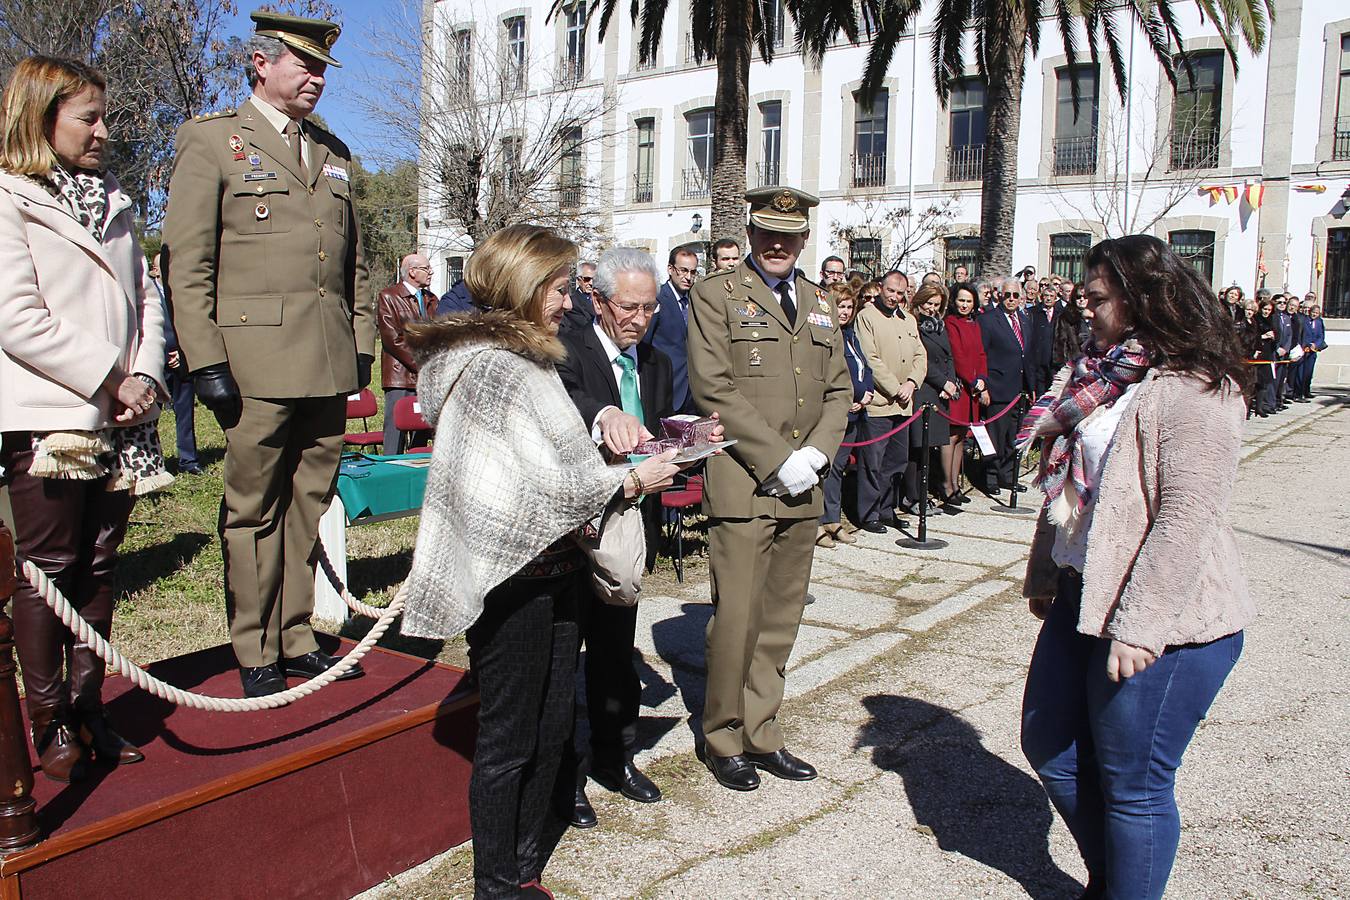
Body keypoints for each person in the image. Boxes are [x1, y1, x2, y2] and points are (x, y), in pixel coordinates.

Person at [397, 225, 683, 899]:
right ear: (527, 286)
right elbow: (550, 485)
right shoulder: (498, 368)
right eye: (561, 289)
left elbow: (555, 464)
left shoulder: (523, 358)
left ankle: (523, 866)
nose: (570, 303)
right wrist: (635, 480)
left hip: (554, 570)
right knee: (510, 739)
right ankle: (498, 883)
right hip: (512, 580)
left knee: (551, 725)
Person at [1019, 234, 1253, 900]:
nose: (1082, 308)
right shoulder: (1095, 373)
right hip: (1080, 591)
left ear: (1141, 297)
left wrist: (1142, 626)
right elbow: (1065, 482)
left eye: (1096, 298)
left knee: (1134, 785)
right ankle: (1119, 879)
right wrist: (1046, 568)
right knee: (1051, 749)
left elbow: (1185, 519)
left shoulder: (1195, 388)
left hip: (1169, 622)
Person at [162, 12, 376, 697]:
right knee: (253, 509)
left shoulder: (335, 151)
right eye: (304, 65)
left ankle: (294, 633)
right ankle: (254, 649)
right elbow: (188, 264)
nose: (316, 79)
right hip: (253, 364)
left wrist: (361, 346)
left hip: (326, 362)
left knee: (308, 504)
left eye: (321, 70)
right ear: (260, 63)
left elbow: (356, 266)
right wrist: (206, 362)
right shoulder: (214, 141)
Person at [0, 56, 171, 780]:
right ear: (43, 120)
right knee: (50, 569)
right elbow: (16, 317)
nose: (104, 131)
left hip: (120, 419)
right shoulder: (9, 198)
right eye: (88, 118)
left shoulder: (114, 201)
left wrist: (146, 375)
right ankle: (49, 722)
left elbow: (148, 299)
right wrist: (109, 374)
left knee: (100, 566)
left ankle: (88, 702)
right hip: (51, 417)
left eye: (105, 115)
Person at [687, 186, 850, 791]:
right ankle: (723, 733)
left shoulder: (819, 303)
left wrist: (816, 454)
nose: (778, 243)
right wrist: (778, 459)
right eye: (767, 233)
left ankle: (763, 730)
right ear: (751, 235)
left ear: (805, 238)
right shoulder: (715, 295)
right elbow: (713, 388)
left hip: (803, 482)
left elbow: (838, 387)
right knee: (737, 617)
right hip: (744, 482)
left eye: (790, 234)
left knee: (780, 616)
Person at [554, 247, 706, 828]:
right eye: (628, 307)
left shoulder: (658, 363)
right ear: (598, 300)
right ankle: (566, 778)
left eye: (649, 309)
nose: (640, 319)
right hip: (575, 523)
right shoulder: (571, 349)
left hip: (628, 524)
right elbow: (569, 399)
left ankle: (615, 757)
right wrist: (604, 416)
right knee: (567, 652)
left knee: (617, 647)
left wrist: (693, 438)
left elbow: (660, 437)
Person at [855, 270, 926, 530]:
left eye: (900, 292)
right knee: (873, 461)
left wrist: (911, 383)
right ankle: (868, 513)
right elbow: (869, 357)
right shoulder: (866, 317)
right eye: (891, 291)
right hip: (880, 403)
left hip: (904, 403)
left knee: (896, 460)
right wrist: (895, 387)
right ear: (880, 288)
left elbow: (920, 355)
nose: (895, 297)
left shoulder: (908, 320)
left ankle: (886, 508)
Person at [818, 279, 873, 548]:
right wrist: (846, 398)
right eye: (840, 306)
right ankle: (818, 524)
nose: (845, 312)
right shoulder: (824, 335)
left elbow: (864, 367)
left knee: (838, 469)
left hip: (855, 414)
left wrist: (868, 392)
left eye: (850, 307)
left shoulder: (850, 334)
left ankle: (833, 520)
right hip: (832, 413)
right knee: (823, 470)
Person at [377, 253, 439, 454]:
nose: (431, 272)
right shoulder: (389, 297)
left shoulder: (431, 300)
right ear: (412, 272)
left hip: (426, 377)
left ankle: (414, 476)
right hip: (400, 377)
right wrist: (422, 363)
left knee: (422, 429)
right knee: (395, 433)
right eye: (426, 268)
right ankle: (389, 473)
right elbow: (393, 339)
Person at [978, 276, 1032, 495]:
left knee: (1013, 437)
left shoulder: (1024, 321)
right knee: (995, 437)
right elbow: (982, 355)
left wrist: (1031, 386)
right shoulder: (989, 320)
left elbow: (1028, 355)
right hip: (997, 388)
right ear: (1000, 295)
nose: (1011, 299)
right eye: (1007, 295)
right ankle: (990, 476)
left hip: (1019, 390)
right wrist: (984, 388)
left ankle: (1008, 475)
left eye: (1015, 295)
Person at [149, 250, 201, 474]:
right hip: (155, 364)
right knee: (151, 417)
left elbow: (194, 326)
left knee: (185, 413)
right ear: (154, 271)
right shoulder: (145, 295)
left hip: (181, 362)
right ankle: (153, 464)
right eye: (163, 267)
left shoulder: (184, 295)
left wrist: (184, 351)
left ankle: (188, 462)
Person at [907, 283, 958, 510]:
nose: (932, 309)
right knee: (917, 448)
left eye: (937, 305)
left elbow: (948, 356)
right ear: (920, 302)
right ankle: (912, 495)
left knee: (930, 449)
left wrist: (952, 383)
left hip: (940, 393)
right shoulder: (914, 324)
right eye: (929, 303)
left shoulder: (939, 326)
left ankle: (923, 493)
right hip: (924, 389)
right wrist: (943, 381)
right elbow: (921, 359)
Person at [943, 282, 988, 503]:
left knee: (961, 436)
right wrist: (971, 381)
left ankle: (956, 483)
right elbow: (958, 356)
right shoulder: (950, 323)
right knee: (951, 436)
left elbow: (980, 354)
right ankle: (947, 485)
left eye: (969, 301)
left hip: (973, 388)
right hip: (959, 387)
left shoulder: (975, 324)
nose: (964, 305)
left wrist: (982, 379)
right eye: (961, 300)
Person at [642, 244, 698, 412]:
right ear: (670, 269)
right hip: (666, 389)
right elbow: (644, 342)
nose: (688, 277)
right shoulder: (657, 299)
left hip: (693, 392)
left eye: (693, 272)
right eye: (683, 270)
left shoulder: (696, 300)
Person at [1242, 296, 1277, 417]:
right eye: (1265, 309)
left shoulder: (1271, 320)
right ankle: (1247, 408)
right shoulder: (1256, 320)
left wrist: (1272, 337)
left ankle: (1259, 408)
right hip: (1253, 355)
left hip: (1265, 353)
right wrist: (1263, 337)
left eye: (1269, 310)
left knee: (1264, 383)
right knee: (1252, 383)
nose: (1266, 312)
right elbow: (1251, 337)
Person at [1296, 302, 1326, 400]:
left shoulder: (1319, 322)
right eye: (1313, 312)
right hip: (1305, 348)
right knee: (1301, 372)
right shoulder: (1304, 320)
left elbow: (1321, 335)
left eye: (1316, 313)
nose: (1314, 314)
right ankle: (1299, 392)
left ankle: (1306, 390)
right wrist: (1307, 345)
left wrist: (1316, 344)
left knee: (1309, 371)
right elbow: (1302, 334)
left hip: (1313, 350)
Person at [561, 259, 597, 331]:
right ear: (578, 280)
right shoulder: (572, 303)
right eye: (587, 279)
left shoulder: (603, 300)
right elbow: (586, 325)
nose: (591, 283)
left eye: (595, 279)